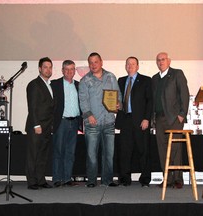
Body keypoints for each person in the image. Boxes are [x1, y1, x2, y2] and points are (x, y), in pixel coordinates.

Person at [78, 52, 122, 187]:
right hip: (92, 123)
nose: (93, 65)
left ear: (101, 62)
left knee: (109, 155)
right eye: (90, 62)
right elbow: (83, 100)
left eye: (96, 62)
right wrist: (89, 115)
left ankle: (107, 180)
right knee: (92, 155)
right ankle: (91, 181)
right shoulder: (85, 80)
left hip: (109, 122)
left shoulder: (111, 77)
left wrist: (118, 104)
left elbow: (118, 95)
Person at [152, 52, 190, 189]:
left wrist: (182, 114)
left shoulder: (177, 74)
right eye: (158, 60)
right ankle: (167, 178)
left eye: (163, 59)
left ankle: (178, 179)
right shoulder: (154, 78)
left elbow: (184, 94)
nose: (160, 62)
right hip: (159, 118)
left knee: (175, 148)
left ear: (169, 61)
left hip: (174, 118)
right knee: (162, 150)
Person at [115, 56, 152, 187]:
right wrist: (117, 105)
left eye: (133, 64)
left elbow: (149, 101)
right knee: (125, 151)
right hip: (125, 120)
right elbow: (117, 99)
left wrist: (147, 118)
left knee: (143, 151)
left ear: (137, 66)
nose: (130, 66)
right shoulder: (121, 81)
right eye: (128, 64)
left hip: (141, 121)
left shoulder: (146, 80)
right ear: (125, 66)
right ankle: (125, 179)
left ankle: (145, 179)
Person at [25, 57, 55, 190]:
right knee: (33, 155)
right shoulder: (34, 84)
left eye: (50, 67)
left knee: (42, 155)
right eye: (45, 67)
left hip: (47, 126)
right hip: (36, 127)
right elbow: (32, 107)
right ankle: (32, 182)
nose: (48, 70)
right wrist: (36, 125)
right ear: (39, 69)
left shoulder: (50, 85)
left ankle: (41, 180)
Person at [51, 60, 82, 187]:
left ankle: (67, 178)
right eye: (67, 69)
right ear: (62, 70)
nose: (69, 72)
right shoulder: (55, 84)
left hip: (74, 122)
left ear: (75, 71)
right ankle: (57, 179)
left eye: (72, 69)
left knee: (70, 152)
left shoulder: (79, 85)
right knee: (58, 151)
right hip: (61, 122)